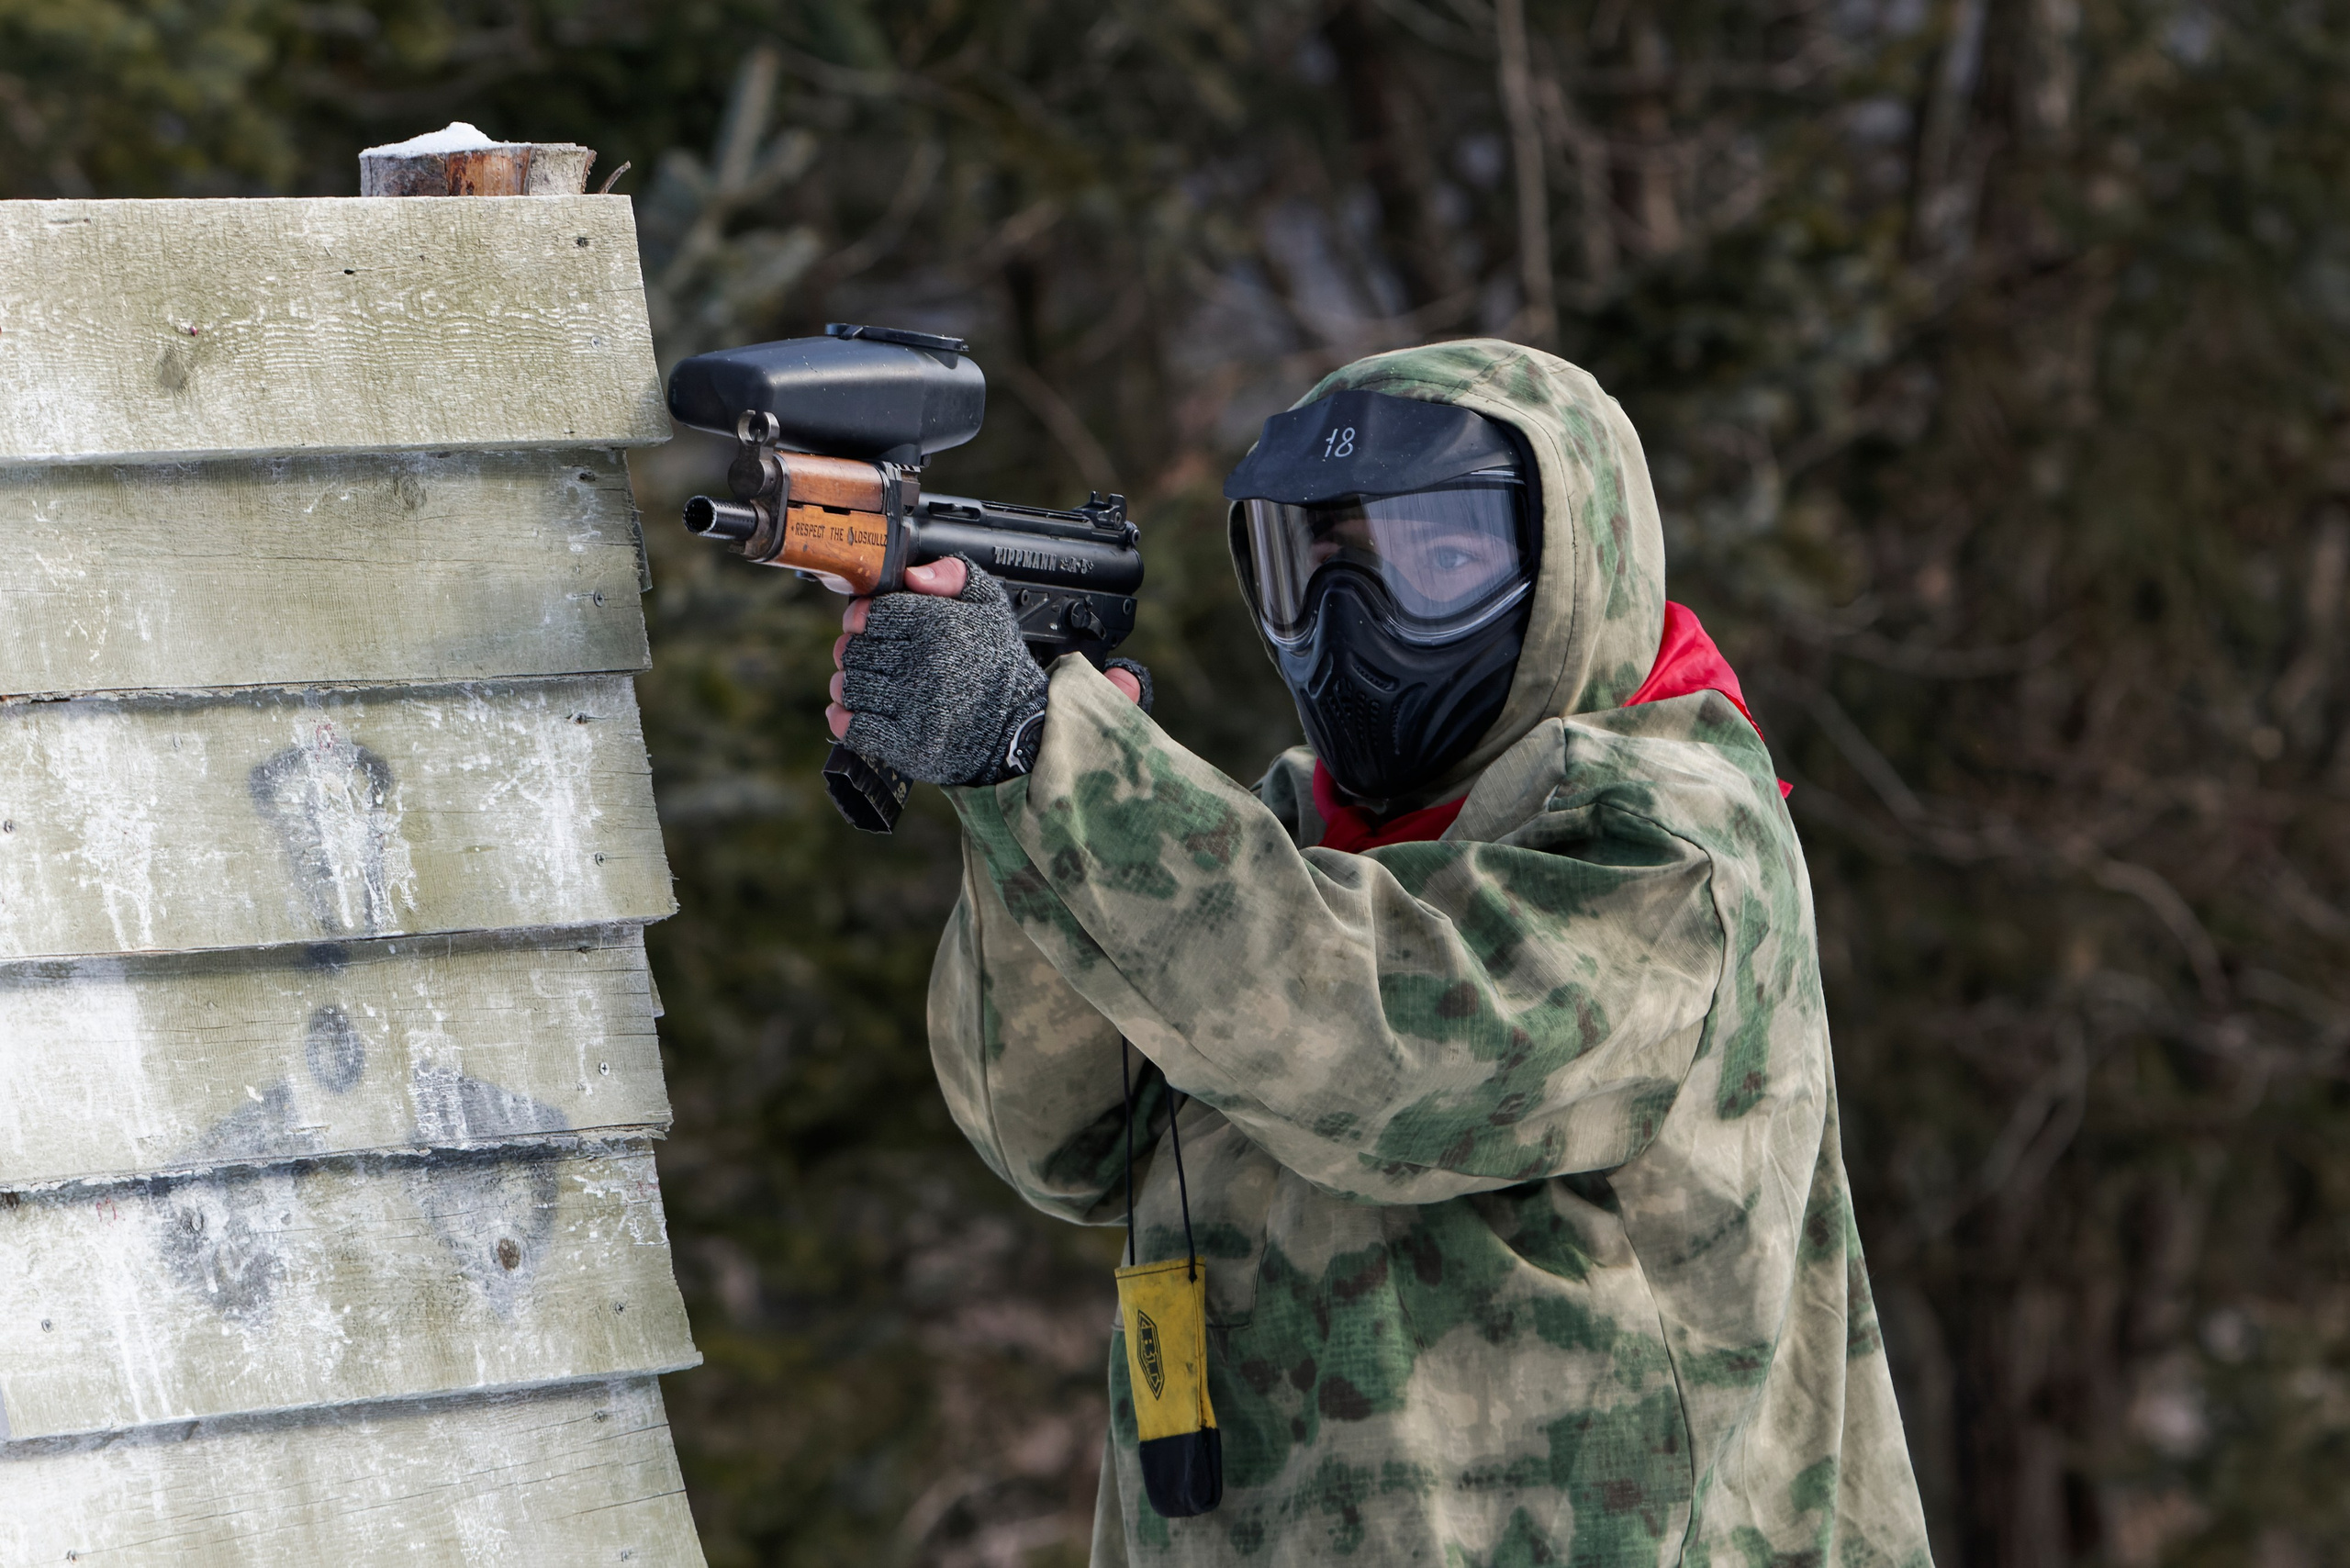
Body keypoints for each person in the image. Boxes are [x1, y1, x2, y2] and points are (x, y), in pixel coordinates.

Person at [827, 340, 1931, 1567]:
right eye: (1317, 570)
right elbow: (1059, 1137)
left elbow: (1399, 1056)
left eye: (1440, 559)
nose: (1354, 621)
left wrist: (1054, 761)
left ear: (1570, 564)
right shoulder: (1281, 851)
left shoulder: (1674, 853)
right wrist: (1020, 791)